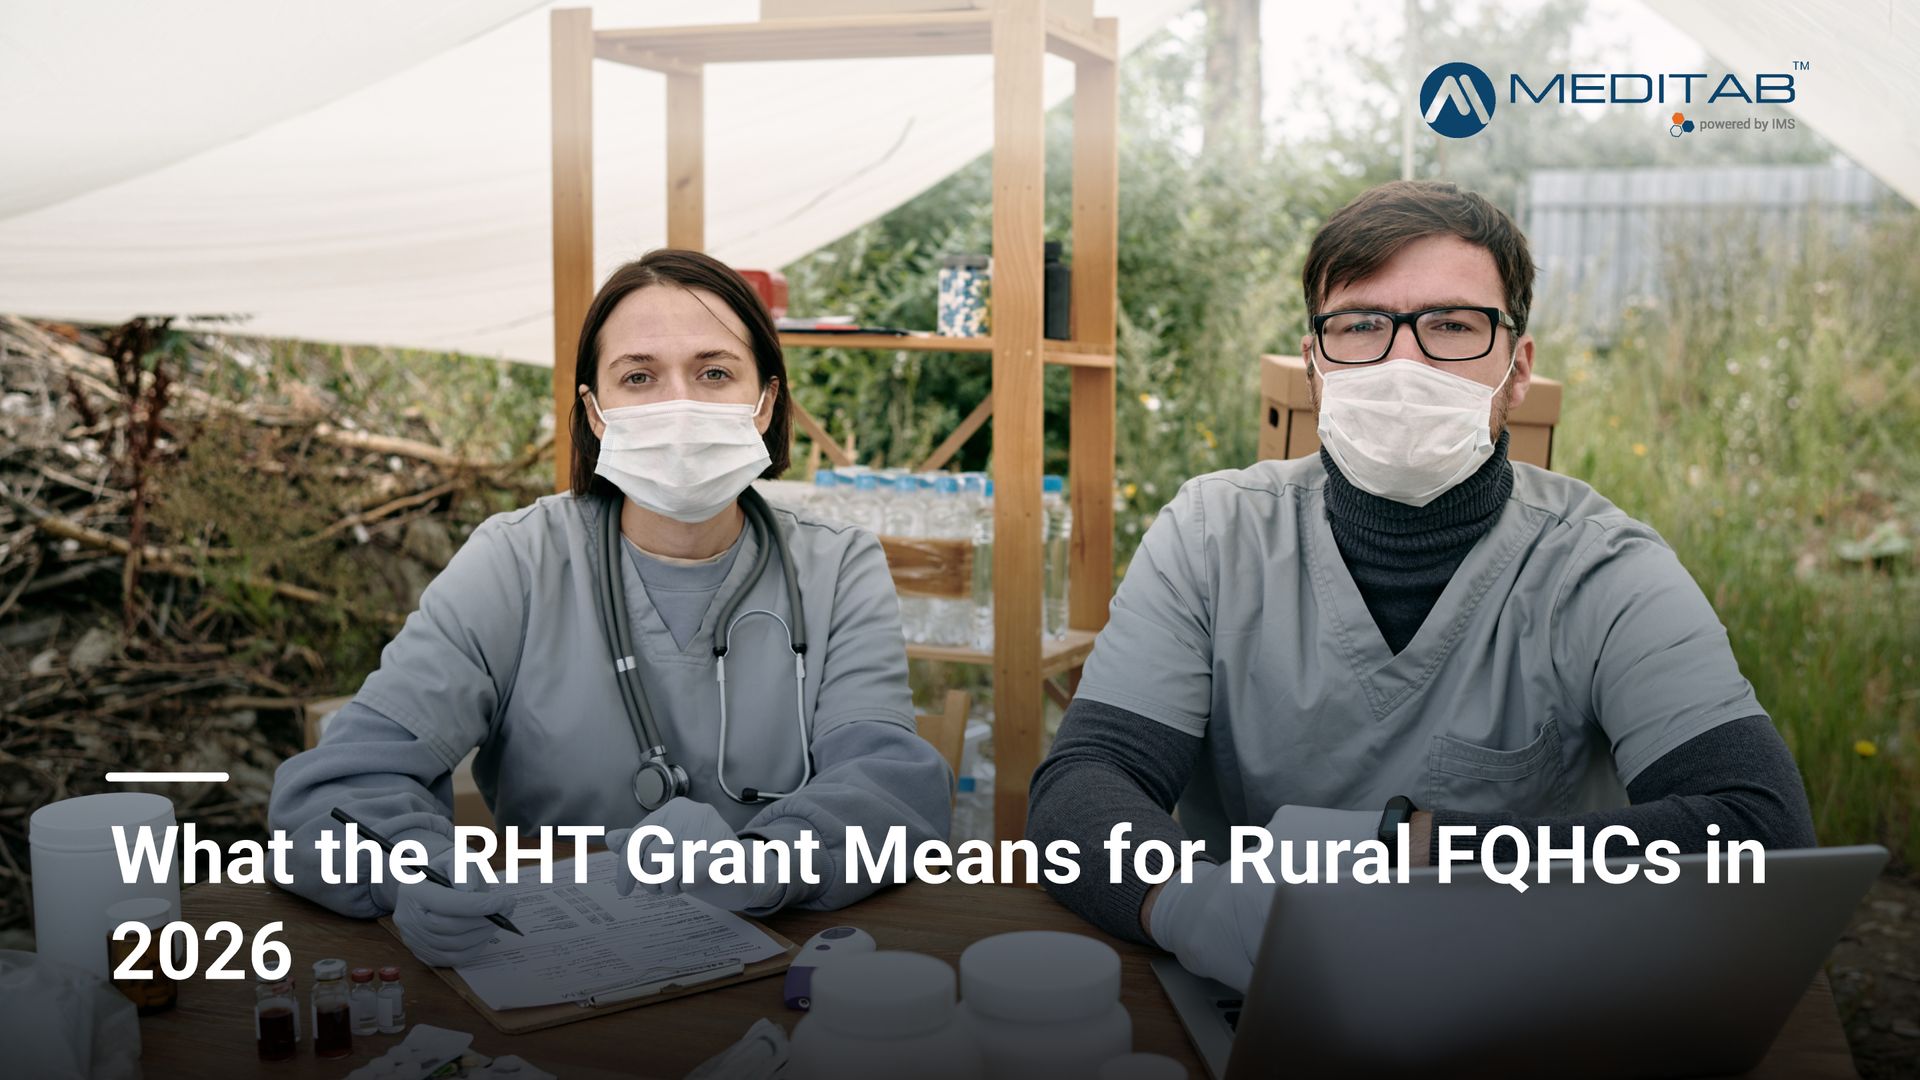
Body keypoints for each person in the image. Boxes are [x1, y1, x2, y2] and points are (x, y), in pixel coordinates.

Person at [1026, 180, 1816, 991]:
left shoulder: (1607, 571)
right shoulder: (1210, 536)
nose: (1405, 364)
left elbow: (1760, 831)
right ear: (1314, 365)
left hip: (1514, 995)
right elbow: (1085, 786)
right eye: (1362, 325)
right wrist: (1188, 901)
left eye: (1451, 326)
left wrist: (1407, 850)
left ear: (1516, 369)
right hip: (1246, 988)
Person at [271, 249, 949, 966]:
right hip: (543, 962)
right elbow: (332, 792)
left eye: (715, 373)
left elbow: (891, 791)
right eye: (639, 377)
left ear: (767, 403)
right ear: (595, 412)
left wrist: (764, 864)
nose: (679, 405)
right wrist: (411, 874)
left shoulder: (837, 566)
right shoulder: (516, 560)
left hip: (781, 968)